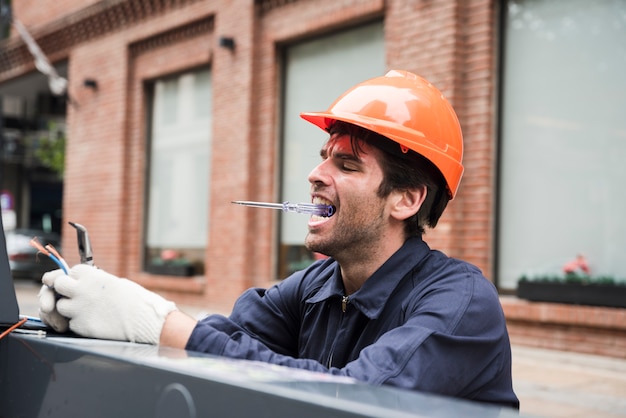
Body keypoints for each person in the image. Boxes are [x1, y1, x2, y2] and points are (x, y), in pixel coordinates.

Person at [38, 70, 519, 408]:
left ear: (406, 200)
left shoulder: (461, 304)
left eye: (347, 165)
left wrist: (156, 322)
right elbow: (224, 345)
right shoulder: (317, 285)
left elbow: (358, 396)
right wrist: (107, 319)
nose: (315, 175)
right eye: (323, 157)